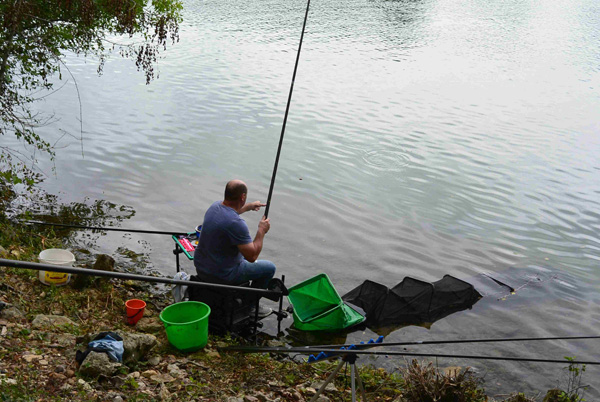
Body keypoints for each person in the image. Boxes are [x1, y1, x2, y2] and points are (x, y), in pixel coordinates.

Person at [193, 180, 276, 316]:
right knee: (269, 268)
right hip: (221, 275)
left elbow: (231, 212)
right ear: (242, 197)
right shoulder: (236, 223)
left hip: (201, 267)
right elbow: (252, 256)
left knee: (240, 250)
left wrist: (249, 206)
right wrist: (261, 230)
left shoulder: (214, 207)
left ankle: (241, 296)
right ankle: (249, 306)